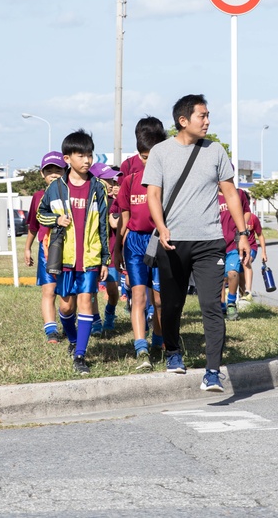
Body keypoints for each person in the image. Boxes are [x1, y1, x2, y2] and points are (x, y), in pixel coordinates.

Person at [143, 94, 250, 393]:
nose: (207, 121)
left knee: (210, 306)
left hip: (209, 242)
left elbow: (230, 193)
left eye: (207, 115)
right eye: (202, 116)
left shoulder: (215, 150)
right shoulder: (161, 152)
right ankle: (173, 350)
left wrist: (242, 234)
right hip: (172, 242)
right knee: (172, 304)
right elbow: (153, 195)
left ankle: (212, 372)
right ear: (183, 120)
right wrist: (161, 228)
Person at [37, 130, 110, 376]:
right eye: (81, 156)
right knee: (66, 308)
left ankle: (80, 354)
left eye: (89, 155)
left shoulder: (98, 187)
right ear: (68, 159)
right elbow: (40, 215)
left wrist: (105, 260)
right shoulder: (56, 188)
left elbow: (103, 227)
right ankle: (72, 338)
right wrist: (57, 219)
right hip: (65, 258)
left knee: (86, 302)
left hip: (90, 257)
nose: (87, 160)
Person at [116, 119, 168, 370]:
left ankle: (160, 340)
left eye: (153, 156)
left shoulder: (169, 180)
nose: (149, 162)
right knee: (139, 296)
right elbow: (123, 220)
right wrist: (116, 252)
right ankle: (141, 349)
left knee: (159, 300)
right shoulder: (129, 179)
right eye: (144, 156)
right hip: (135, 243)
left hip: (161, 241)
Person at [24, 151, 66, 343]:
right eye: (49, 171)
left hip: (70, 249)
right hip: (46, 250)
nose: (54, 174)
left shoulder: (70, 193)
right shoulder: (38, 196)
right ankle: (51, 330)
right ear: (42, 174)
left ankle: (69, 323)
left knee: (67, 295)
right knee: (48, 291)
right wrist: (27, 248)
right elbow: (33, 226)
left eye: (58, 170)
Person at [90, 161, 121, 335]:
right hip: (92, 253)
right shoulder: (91, 202)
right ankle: (95, 321)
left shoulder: (113, 202)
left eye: (113, 180)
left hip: (111, 253)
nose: (112, 184)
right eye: (107, 180)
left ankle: (110, 313)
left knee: (112, 290)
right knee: (92, 288)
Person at [217, 187, 250, 321]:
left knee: (233, 272)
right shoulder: (209, 193)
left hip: (233, 243)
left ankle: (231, 302)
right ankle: (220, 305)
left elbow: (247, 212)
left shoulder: (238, 193)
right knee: (218, 277)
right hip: (215, 243)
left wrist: (242, 227)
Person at [242, 212, 268, 301]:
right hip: (238, 248)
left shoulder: (253, 218)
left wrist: (263, 252)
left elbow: (260, 235)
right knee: (239, 272)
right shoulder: (233, 216)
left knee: (246, 262)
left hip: (251, 247)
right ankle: (241, 293)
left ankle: (248, 291)